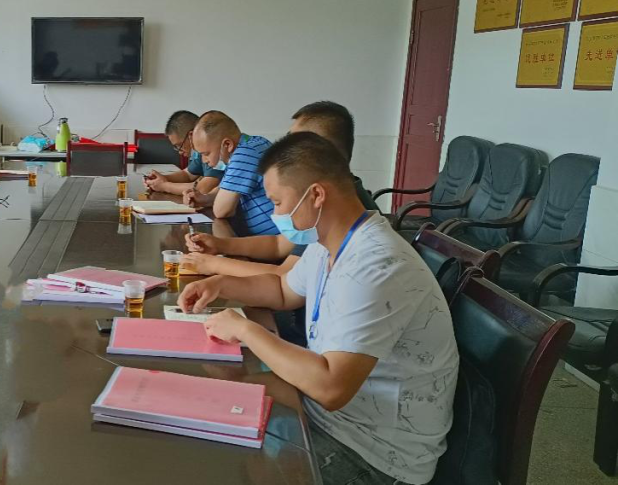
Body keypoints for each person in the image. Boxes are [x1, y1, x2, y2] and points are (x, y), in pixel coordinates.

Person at [180, 132, 458, 485]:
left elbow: (331, 388)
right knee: (207, 408)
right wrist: (220, 284)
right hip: (328, 415)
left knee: (219, 465)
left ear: (316, 195)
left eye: (278, 202)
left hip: (373, 453)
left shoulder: (376, 266)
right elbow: (283, 290)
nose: (276, 214)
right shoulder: (330, 242)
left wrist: (245, 328)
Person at [183, 101, 380, 276]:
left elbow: (283, 279)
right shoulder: (334, 194)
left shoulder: (331, 208)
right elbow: (278, 245)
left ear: (321, 153)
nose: (285, 153)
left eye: (294, 147)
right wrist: (220, 244)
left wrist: (214, 264)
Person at [183, 111, 277, 236]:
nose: (205, 161)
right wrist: (205, 198)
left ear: (227, 145)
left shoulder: (244, 154)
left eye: (206, 154)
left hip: (271, 241)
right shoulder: (256, 143)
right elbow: (226, 190)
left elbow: (222, 211)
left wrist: (211, 200)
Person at [142, 110, 223, 196]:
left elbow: (204, 189)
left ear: (191, 135)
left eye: (179, 145)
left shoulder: (216, 149)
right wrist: (162, 179)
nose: (179, 152)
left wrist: (165, 186)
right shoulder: (198, 152)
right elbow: (188, 175)